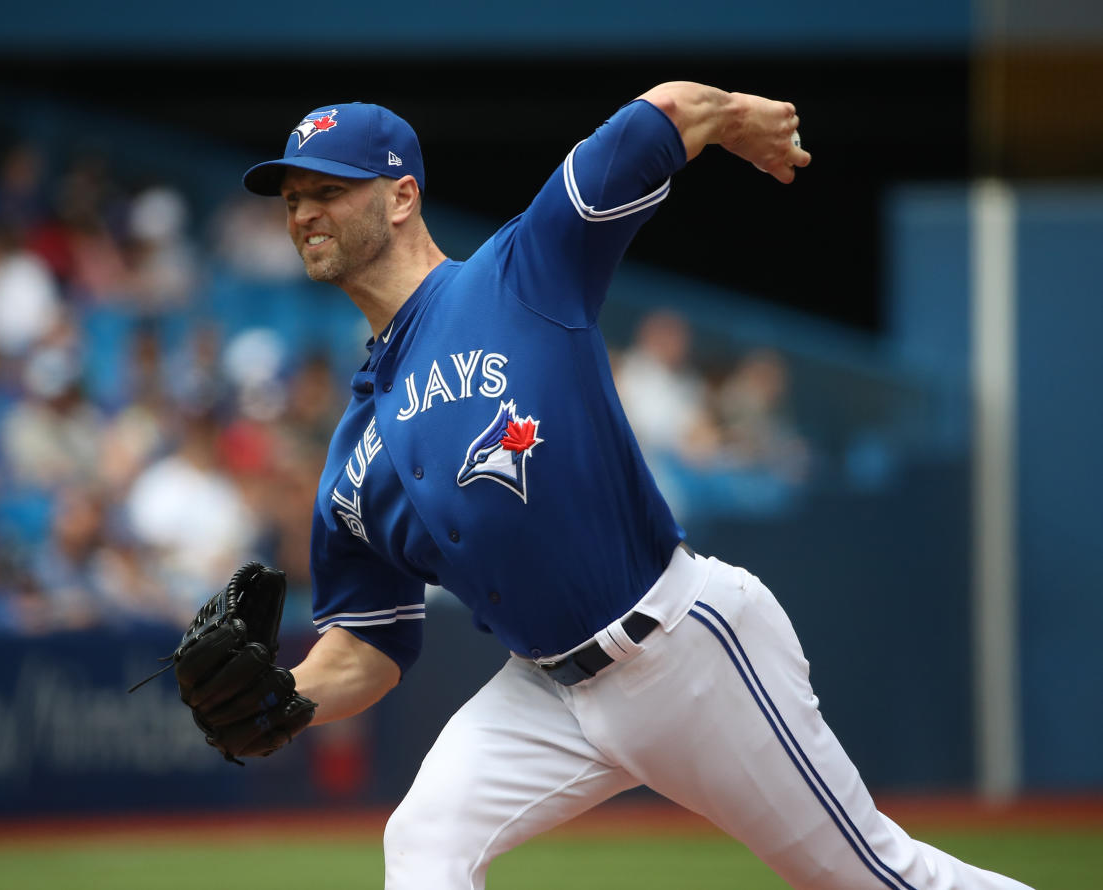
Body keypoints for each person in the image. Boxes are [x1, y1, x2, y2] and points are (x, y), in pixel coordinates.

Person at [238, 84, 1032, 889]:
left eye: (328, 190)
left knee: (880, 879)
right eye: (294, 197)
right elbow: (368, 643)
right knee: (423, 843)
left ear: (402, 195)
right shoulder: (353, 453)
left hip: (679, 648)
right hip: (544, 694)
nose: (304, 211)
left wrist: (731, 120)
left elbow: (656, 118)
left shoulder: (519, 274)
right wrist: (284, 697)